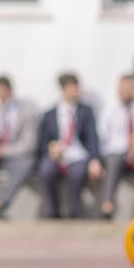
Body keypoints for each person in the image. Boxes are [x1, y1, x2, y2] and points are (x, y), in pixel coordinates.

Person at [0, 75, 41, 222]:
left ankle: (0, 203)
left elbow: (28, 145)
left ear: (10, 90)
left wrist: (2, 151)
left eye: (2, 92)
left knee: (27, 163)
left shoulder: (27, 112)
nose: (0, 96)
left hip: (13, 157)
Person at [35, 74, 99, 219]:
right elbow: (43, 141)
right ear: (64, 89)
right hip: (57, 154)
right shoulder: (49, 114)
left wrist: (95, 160)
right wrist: (51, 149)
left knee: (77, 174)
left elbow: (92, 138)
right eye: (73, 88)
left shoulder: (86, 112)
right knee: (46, 170)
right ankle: (53, 209)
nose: (77, 91)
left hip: (78, 154)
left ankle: (74, 209)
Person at [96, 74, 134, 220]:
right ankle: (108, 203)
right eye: (120, 89)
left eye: (125, 89)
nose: (121, 92)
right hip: (116, 152)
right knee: (114, 160)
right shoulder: (110, 109)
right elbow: (103, 137)